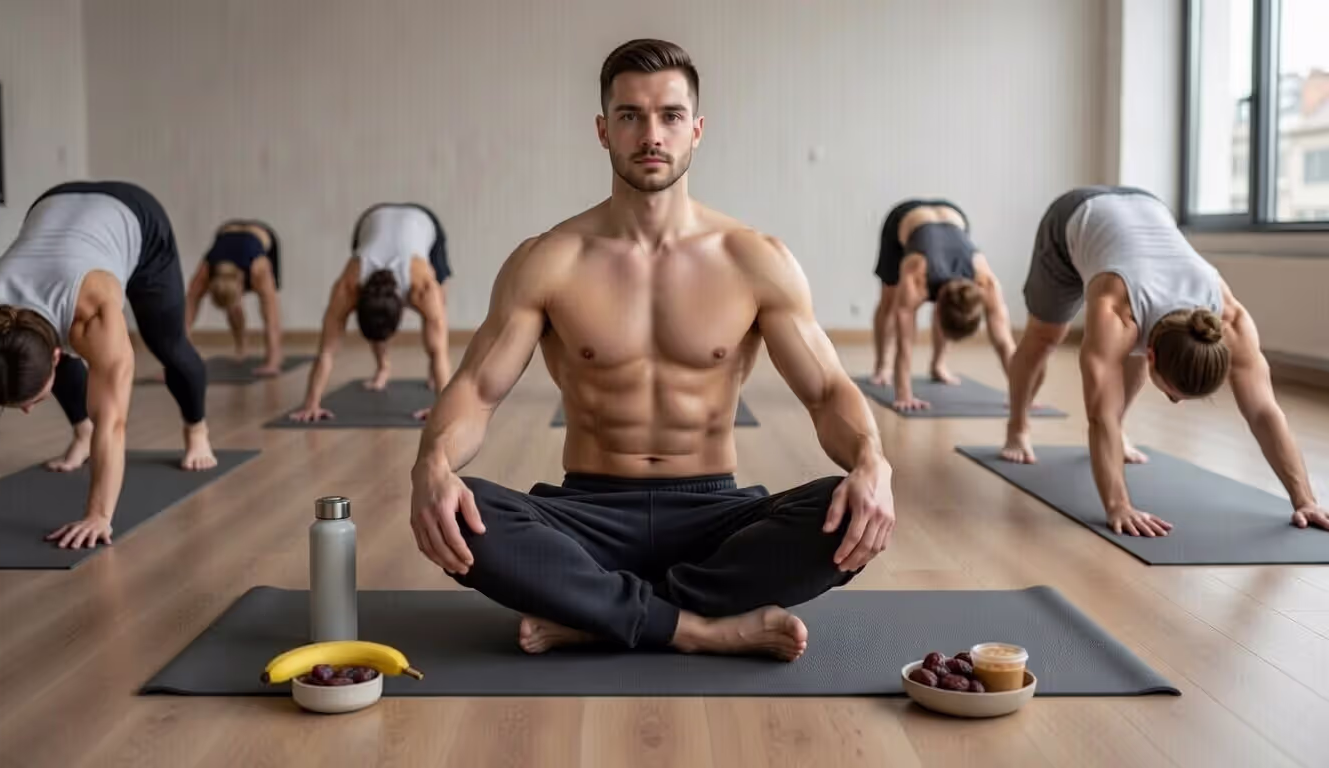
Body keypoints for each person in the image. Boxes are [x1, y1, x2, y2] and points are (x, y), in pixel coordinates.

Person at [409, 39, 895, 662]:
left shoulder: (754, 259)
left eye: (669, 115)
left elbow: (828, 393)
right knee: (465, 513)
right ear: (603, 130)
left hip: (716, 516)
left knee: (844, 509)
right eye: (630, 115)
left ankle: (594, 615)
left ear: (696, 129)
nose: (651, 134)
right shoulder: (548, 260)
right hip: (586, 514)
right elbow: (476, 392)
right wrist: (433, 465)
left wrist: (872, 463)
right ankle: (700, 627)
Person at [1001, 185, 1328, 536]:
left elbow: (1265, 412)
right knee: (1046, 336)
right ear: (1152, 355)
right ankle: (1017, 426)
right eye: (1174, 394)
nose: (1174, 402)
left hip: (1147, 207)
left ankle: (1120, 437)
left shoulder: (1231, 321)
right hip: (1072, 219)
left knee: (1123, 372)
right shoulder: (1115, 311)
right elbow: (1099, 415)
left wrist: (1304, 499)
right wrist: (1118, 505)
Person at [0, 180, 217, 550]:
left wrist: (98, 515)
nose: (24, 411)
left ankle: (197, 429)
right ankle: (80, 436)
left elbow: (113, 424)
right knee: (37, 362)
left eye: (30, 400)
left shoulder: (93, 316)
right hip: (52, 201)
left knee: (168, 344)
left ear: (57, 354)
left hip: (138, 218)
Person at [289, 202, 452, 422]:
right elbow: (326, 351)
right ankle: (382, 368)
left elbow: (439, 350)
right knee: (384, 318)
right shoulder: (347, 287)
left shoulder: (422, 288)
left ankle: (433, 376)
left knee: (438, 316)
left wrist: (442, 407)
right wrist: (311, 404)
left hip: (423, 220)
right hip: (371, 219)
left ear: (403, 311)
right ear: (356, 304)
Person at [870, 199, 1016, 410]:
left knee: (956, 310)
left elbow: (1005, 343)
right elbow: (905, 344)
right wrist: (904, 394)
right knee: (889, 300)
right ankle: (881, 366)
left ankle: (938, 365)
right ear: (936, 309)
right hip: (904, 218)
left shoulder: (987, 282)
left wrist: (1021, 394)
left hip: (954, 216)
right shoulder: (916, 276)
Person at [184, 219, 284, 375]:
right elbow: (186, 316)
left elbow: (272, 318)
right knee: (231, 306)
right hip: (226, 230)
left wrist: (272, 363)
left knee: (269, 305)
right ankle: (242, 346)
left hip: (262, 235)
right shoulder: (204, 272)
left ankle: (274, 355)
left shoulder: (259, 269)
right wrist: (173, 364)